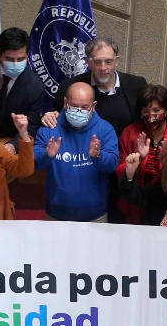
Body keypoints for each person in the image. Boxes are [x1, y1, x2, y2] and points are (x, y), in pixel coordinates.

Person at [41, 36, 146, 223]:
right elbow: (59, 118)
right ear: (88, 62)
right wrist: (48, 115)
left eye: (108, 61)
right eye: (97, 62)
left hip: (123, 168)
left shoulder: (136, 86)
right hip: (86, 170)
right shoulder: (71, 87)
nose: (103, 67)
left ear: (117, 61)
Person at [34, 82, 119, 223]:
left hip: (95, 215)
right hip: (56, 215)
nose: (79, 111)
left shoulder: (105, 129)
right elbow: (34, 163)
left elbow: (112, 166)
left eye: (85, 107)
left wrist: (98, 156)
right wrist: (47, 155)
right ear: (65, 102)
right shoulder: (50, 128)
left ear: (93, 105)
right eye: (74, 106)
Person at [115, 84, 167, 224]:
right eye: (146, 111)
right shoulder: (130, 133)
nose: (151, 116)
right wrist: (138, 161)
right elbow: (120, 172)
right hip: (134, 205)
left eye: (156, 110)